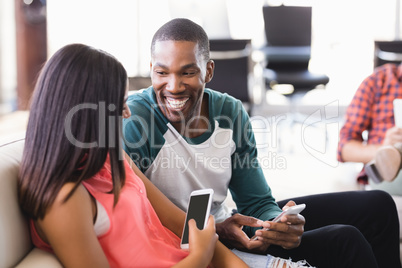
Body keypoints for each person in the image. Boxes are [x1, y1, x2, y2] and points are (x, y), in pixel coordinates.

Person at [122, 18, 401, 267]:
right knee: (345, 241)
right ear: (151, 70)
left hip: (227, 226)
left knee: (379, 205)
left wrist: (279, 222)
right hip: (196, 243)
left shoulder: (229, 112)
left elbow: (254, 201)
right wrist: (218, 229)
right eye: (162, 73)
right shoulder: (137, 120)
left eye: (187, 72)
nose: (173, 86)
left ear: (208, 71)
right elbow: (136, 223)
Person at [17, 43, 314, 268]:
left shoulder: (113, 158)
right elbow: (196, 246)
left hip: (203, 259)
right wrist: (198, 256)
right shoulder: (64, 200)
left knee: (343, 241)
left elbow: (182, 223)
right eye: (118, 103)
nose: (126, 112)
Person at [338, 63, 402, 194]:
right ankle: (391, 153)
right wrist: (384, 148)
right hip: (389, 169)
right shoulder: (378, 81)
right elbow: (344, 149)